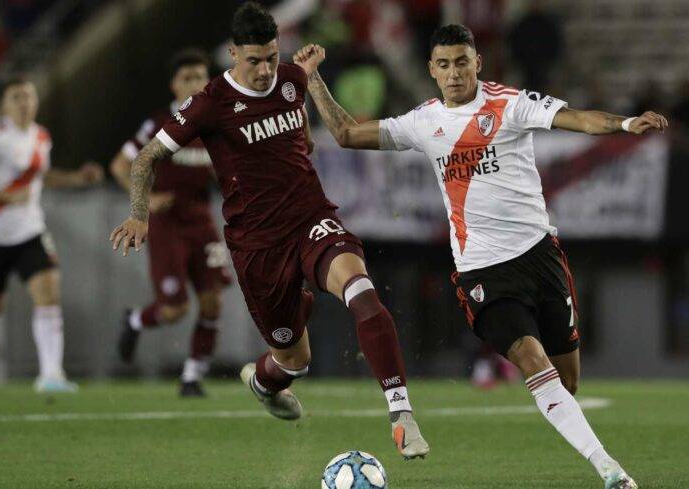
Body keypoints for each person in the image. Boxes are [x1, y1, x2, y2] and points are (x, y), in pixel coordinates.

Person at [295, 24, 668, 489]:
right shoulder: (423, 121)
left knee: (568, 381)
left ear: (478, 63)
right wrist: (313, 78)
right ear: (432, 70)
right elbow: (348, 134)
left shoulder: (509, 103)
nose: (454, 73)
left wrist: (626, 124)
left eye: (462, 63)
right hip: (483, 270)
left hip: (540, 257)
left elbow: (579, 119)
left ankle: (569, 425)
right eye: (444, 65)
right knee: (533, 361)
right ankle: (610, 470)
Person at [109, 1, 429, 459]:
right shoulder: (210, 102)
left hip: (311, 219)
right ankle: (264, 382)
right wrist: (139, 214)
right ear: (233, 54)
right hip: (258, 246)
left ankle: (402, 415)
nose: (265, 71)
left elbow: (306, 138)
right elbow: (146, 158)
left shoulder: (292, 81)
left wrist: (312, 81)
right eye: (254, 60)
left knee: (362, 293)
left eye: (272, 58)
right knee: (293, 361)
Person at [110, 49, 231, 398]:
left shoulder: (216, 123)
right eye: (186, 78)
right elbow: (120, 165)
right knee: (175, 309)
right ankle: (136, 320)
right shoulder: (160, 123)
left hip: (202, 221)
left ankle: (192, 377)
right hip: (167, 225)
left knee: (212, 302)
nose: (194, 84)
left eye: (200, 77)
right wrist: (145, 200)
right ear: (173, 85)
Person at [0, 77, 104, 392]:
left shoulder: (41, 136)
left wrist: (78, 178)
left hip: (30, 231)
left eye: (29, 96)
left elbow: (42, 177)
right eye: (16, 97)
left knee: (49, 294)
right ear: (4, 105)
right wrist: (5, 196)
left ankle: (51, 375)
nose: (24, 103)